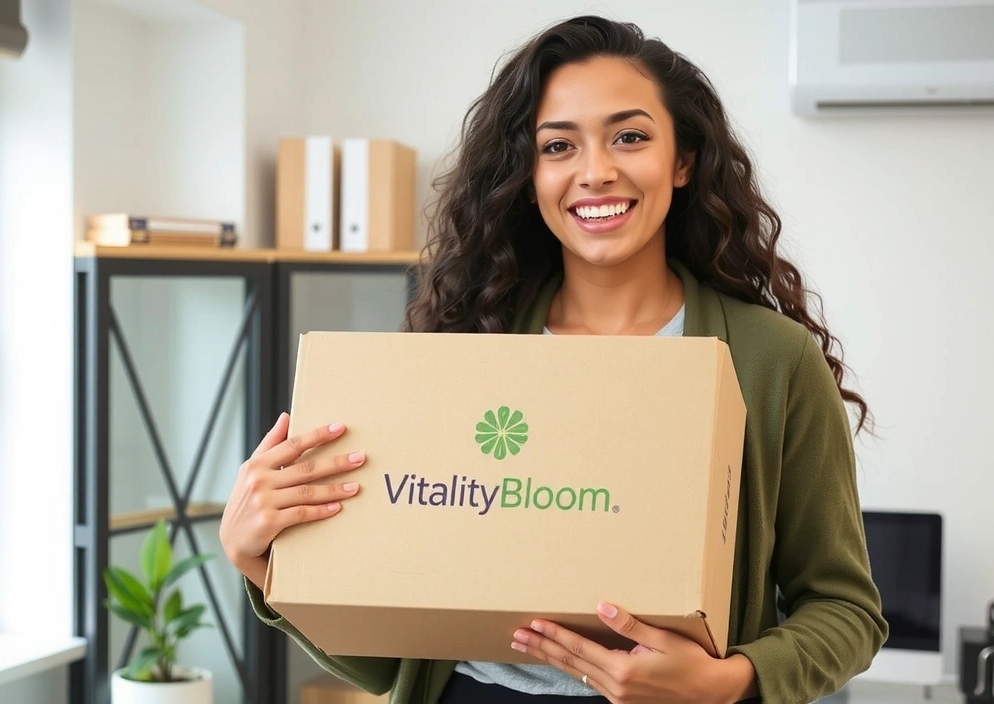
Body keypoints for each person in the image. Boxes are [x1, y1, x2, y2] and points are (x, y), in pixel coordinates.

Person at [219, 14, 888, 704]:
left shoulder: (770, 360)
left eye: (630, 137)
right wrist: (264, 567)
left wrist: (731, 684)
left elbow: (847, 611)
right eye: (558, 146)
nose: (595, 172)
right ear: (528, 173)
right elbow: (399, 663)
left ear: (683, 160)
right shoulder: (468, 345)